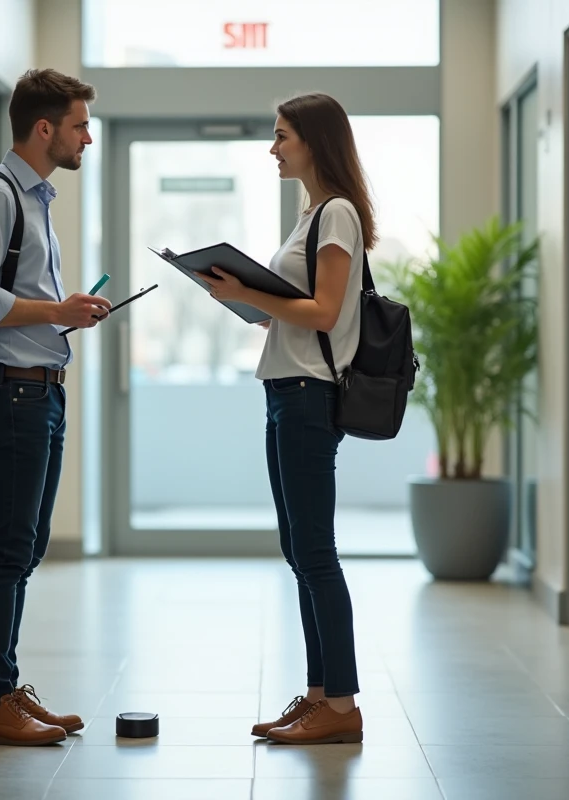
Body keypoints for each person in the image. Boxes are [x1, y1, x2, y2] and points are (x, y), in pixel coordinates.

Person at [196, 93, 375, 745]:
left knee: (315, 551)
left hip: (308, 394)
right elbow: (297, 311)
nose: (273, 148)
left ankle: (342, 706)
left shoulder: (338, 214)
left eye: (282, 136)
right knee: (300, 549)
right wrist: (248, 301)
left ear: (314, 141)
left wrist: (248, 291)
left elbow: (325, 311)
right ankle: (321, 696)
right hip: (284, 389)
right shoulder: (311, 217)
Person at [0, 68, 107, 746]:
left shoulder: (35, 199)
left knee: (27, 544)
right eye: (79, 126)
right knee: (7, 547)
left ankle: (5, 687)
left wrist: (64, 316)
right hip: (13, 393)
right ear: (44, 128)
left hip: (42, 389)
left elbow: (17, 300)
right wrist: (56, 311)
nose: (87, 138)